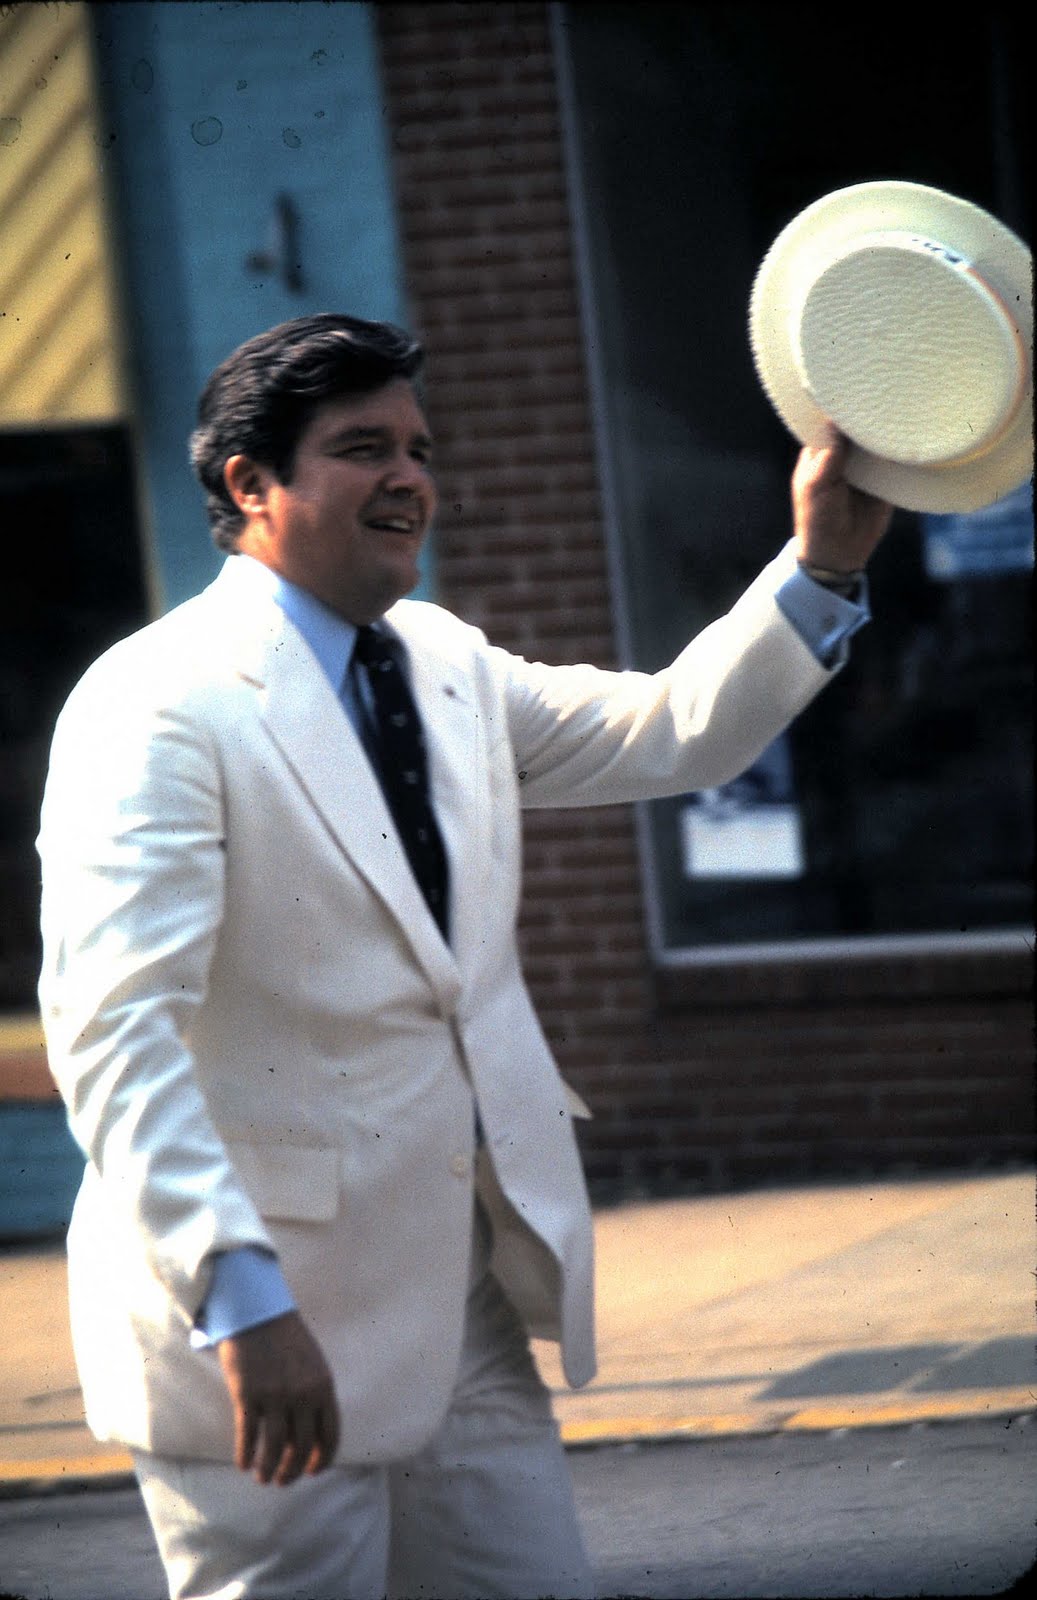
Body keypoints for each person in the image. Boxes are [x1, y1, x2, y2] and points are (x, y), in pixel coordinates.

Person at [37, 312, 891, 1600]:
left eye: (419, 449)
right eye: (361, 447)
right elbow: (114, 1030)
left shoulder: (444, 663)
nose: (408, 477)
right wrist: (241, 1302)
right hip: (259, 1331)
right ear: (247, 485)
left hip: (453, 1306)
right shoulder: (156, 701)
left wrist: (819, 567)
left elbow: (669, 734)